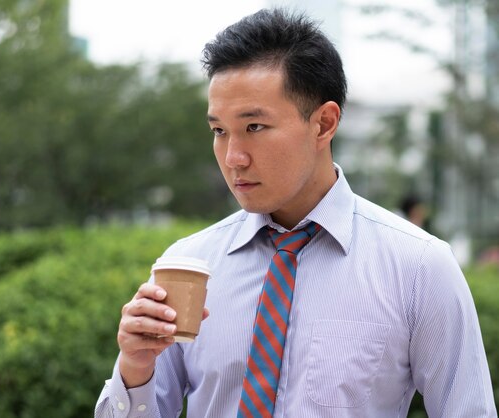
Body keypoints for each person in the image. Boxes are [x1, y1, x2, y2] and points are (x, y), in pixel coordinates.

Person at [95, 8, 496, 417]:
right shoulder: (191, 264)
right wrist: (136, 367)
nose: (233, 157)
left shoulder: (418, 267)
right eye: (219, 131)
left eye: (254, 127)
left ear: (324, 124)